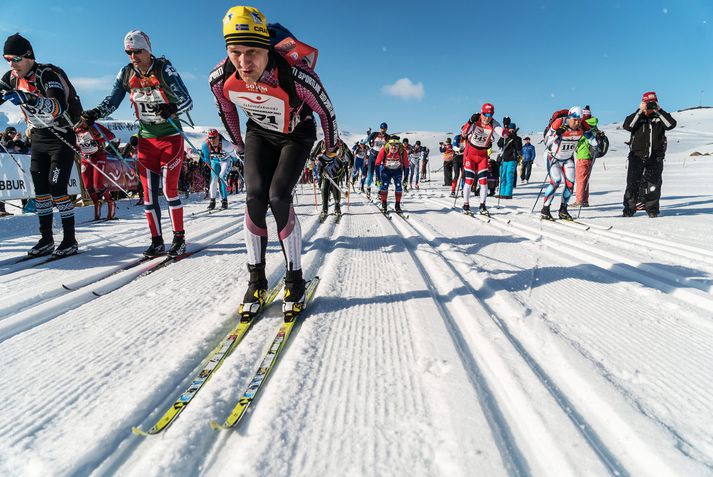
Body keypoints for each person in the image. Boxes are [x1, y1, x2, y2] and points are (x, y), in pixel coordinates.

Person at [210, 5, 339, 315]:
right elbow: (226, 110)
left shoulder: (297, 76)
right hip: (259, 132)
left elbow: (326, 112)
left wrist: (331, 150)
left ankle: (294, 280)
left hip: (297, 134)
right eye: (235, 52)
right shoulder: (220, 77)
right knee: (254, 197)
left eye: (252, 52)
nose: (243, 61)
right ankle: (256, 280)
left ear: (267, 48)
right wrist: (240, 146)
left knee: (278, 196)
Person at [81, 30, 193, 257]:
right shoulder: (126, 73)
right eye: (129, 52)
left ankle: (179, 238)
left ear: (148, 50)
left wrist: (171, 109)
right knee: (149, 195)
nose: (133, 56)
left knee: (169, 190)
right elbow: (112, 100)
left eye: (138, 51)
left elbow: (187, 100)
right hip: (147, 140)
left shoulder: (164, 68)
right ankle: (157, 240)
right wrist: (94, 113)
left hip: (170, 139)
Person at [0, 33, 79, 257]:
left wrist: (28, 98)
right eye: (7, 59)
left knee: (57, 189)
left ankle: (70, 240)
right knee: (40, 191)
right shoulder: (11, 78)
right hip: (38, 137)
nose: (11, 65)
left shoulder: (47, 74)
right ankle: (46, 239)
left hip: (60, 136)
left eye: (15, 59)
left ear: (28, 56)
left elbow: (58, 106)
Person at [622, 92, 676, 218]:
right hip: (637, 156)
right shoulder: (637, 116)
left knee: (654, 183)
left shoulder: (660, 116)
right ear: (643, 102)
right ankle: (629, 209)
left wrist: (659, 110)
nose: (650, 105)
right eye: (648, 102)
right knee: (632, 183)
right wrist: (640, 111)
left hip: (655, 157)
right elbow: (627, 126)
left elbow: (671, 124)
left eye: (653, 102)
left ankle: (652, 209)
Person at [541, 106, 597, 220]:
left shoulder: (582, 125)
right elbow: (547, 142)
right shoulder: (559, 122)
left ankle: (563, 209)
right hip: (553, 157)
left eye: (579, 120)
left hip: (568, 158)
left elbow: (593, 141)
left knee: (570, 185)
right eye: (574, 120)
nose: (577, 123)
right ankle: (545, 209)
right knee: (556, 181)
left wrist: (597, 140)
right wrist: (557, 133)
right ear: (569, 117)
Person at [460, 103, 506, 216]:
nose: (487, 117)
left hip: (482, 156)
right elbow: (464, 133)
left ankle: (482, 205)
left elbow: (503, 135)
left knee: (483, 182)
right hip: (470, 154)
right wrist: (470, 121)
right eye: (485, 114)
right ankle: (466, 205)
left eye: (490, 114)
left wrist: (506, 126)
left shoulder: (493, 123)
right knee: (469, 181)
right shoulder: (476, 120)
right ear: (481, 112)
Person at [75, 121, 117, 220]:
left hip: (98, 157)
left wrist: (98, 140)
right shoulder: (75, 129)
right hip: (85, 159)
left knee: (98, 185)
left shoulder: (93, 125)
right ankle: (96, 203)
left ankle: (110, 201)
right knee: (87, 186)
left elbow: (111, 135)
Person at [312, 139, 349, 221]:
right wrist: (318, 167)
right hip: (325, 168)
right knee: (325, 187)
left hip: (336, 168)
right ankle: (324, 208)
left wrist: (350, 163)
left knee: (335, 186)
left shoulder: (340, 143)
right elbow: (314, 155)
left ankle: (337, 207)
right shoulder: (322, 143)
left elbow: (347, 154)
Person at [571, 106, 599, 207]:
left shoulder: (584, 126)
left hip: (583, 154)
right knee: (585, 180)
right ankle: (584, 200)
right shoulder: (593, 124)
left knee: (580, 179)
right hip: (590, 155)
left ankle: (579, 201)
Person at [202, 128, 235, 210]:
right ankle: (212, 201)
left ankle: (224, 201)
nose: (211, 140)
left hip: (226, 161)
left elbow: (234, 155)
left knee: (222, 177)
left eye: (213, 137)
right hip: (215, 161)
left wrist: (236, 162)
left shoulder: (226, 144)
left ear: (218, 137)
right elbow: (206, 157)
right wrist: (206, 163)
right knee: (213, 181)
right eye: (209, 137)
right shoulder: (205, 144)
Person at [375, 135, 408, 213]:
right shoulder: (384, 150)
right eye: (391, 145)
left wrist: (406, 178)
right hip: (386, 170)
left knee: (399, 186)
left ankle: (397, 205)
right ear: (389, 144)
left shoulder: (402, 151)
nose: (393, 147)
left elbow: (406, 165)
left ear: (398, 145)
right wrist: (378, 178)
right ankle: (384, 204)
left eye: (396, 145)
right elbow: (377, 164)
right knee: (385, 185)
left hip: (397, 170)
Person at [496, 122, 522, 199]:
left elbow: (519, 148)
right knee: (502, 176)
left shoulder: (517, 138)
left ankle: (508, 193)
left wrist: (515, 138)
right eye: (510, 129)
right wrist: (503, 136)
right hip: (503, 159)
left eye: (512, 129)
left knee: (509, 176)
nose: (511, 131)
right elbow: (499, 144)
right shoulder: (505, 137)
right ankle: (502, 193)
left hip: (512, 159)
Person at [365, 123, 389, 198]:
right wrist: (367, 137)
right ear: (380, 128)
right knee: (370, 175)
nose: (383, 130)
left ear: (386, 129)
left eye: (384, 129)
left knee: (380, 176)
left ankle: (379, 191)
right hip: (373, 156)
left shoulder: (388, 137)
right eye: (382, 129)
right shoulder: (375, 134)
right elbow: (367, 140)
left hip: (381, 157)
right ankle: (368, 188)